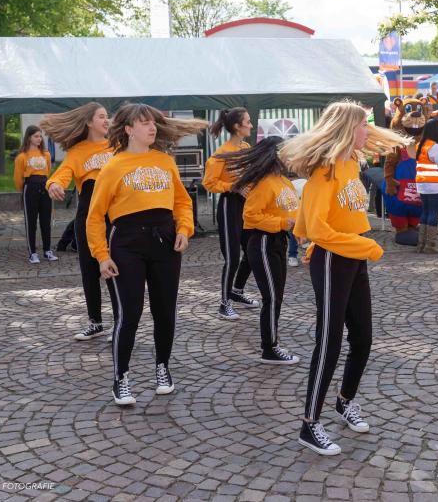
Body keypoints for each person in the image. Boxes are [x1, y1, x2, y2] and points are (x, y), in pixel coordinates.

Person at [280, 100, 409, 456]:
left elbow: (322, 220)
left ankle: (345, 400)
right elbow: (317, 227)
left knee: (363, 337)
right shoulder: (324, 171)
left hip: (352, 257)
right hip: (333, 260)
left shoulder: (351, 163)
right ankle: (309, 424)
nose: (367, 130)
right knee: (329, 341)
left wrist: (355, 246)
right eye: (362, 124)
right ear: (345, 129)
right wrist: (363, 246)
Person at [86, 103, 207, 405]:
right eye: (143, 123)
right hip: (127, 243)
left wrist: (184, 229)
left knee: (165, 310)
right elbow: (95, 216)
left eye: (153, 122)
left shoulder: (165, 161)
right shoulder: (114, 166)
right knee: (130, 313)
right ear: (128, 129)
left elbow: (182, 201)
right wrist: (102, 255)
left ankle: (162, 367)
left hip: (165, 241)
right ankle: (121, 377)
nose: (152, 127)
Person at [218, 136, 301, 365]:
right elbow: (251, 216)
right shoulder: (264, 183)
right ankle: (269, 348)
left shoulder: (284, 181)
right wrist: (282, 223)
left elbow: (293, 210)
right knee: (271, 297)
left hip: (279, 242)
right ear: (275, 155)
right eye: (286, 151)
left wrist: (298, 230)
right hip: (263, 242)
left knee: (277, 297)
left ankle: (272, 345)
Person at [43, 103, 119, 341]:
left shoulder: (118, 146)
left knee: (115, 270)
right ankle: (96, 323)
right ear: (88, 122)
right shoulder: (77, 151)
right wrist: (54, 185)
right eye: (101, 117)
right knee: (89, 272)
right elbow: (62, 175)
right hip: (86, 218)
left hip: (115, 218)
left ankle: (121, 324)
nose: (106, 120)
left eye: (107, 116)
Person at [203, 108, 261, 320]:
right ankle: (224, 303)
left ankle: (236, 291)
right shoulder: (221, 154)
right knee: (233, 258)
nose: (251, 125)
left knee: (253, 253)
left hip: (248, 206)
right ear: (237, 126)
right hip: (230, 207)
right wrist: (234, 187)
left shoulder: (246, 148)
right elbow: (209, 183)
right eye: (248, 121)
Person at [14, 125, 57, 264]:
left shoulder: (46, 154)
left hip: (44, 187)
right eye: (36, 136)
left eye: (40, 136)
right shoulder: (22, 156)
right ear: (29, 137)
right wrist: (24, 190)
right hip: (30, 188)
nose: (39, 139)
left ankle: (47, 250)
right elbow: (18, 178)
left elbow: (48, 172)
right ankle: (32, 253)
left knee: (46, 221)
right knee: (31, 222)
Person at [415, 119, 438, 253]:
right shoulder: (435, 147)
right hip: (434, 185)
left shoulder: (421, 145)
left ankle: (421, 244)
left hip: (422, 184)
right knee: (433, 213)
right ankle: (430, 245)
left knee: (425, 212)